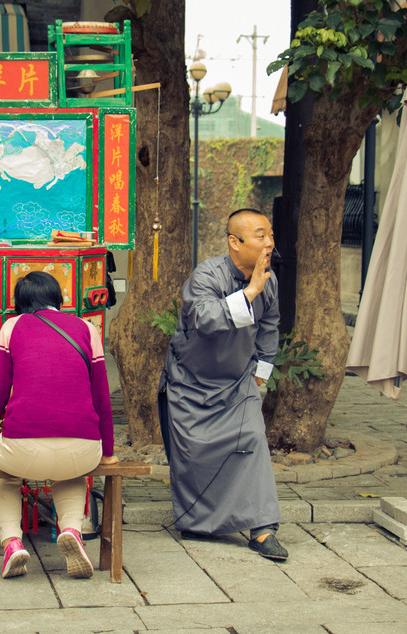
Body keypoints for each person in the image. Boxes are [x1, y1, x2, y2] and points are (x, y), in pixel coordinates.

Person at [0, 271, 119, 579]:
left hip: (22, 448)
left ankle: (13, 543)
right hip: (83, 447)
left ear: (19, 303)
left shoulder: (12, 327)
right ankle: (71, 530)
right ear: (59, 299)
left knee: (2, 475)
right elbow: (102, 399)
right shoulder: (86, 328)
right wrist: (107, 453)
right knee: (71, 472)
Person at [158, 208, 287, 560]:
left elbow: (270, 322)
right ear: (235, 242)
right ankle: (199, 522)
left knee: (253, 440)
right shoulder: (206, 276)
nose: (269, 244)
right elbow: (205, 318)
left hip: (237, 380)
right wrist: (250, 292)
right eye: (261, 236)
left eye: (270, 235)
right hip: (191, 381)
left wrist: (263, 366)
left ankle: (262, 529)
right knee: (193, 453)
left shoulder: (269, 280)